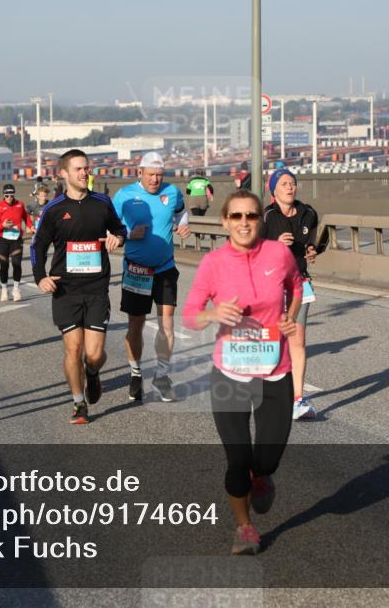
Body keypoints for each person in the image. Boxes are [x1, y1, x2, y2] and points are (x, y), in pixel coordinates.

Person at [182, 189, 302, 555]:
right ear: (225, 222)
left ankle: (262, 476)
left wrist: (290, 318)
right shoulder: (213, 263)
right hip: (230, 373)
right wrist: (213, 314)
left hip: (274, 370)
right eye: (236, 216)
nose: (244, 222)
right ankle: (244, 527)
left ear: (260, 220)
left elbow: (296, 286)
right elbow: (190, 315)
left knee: (266, 459)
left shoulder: (279, 254)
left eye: (251, 215)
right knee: (238, 460)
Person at [31, 149, 126, 424]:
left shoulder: (102, 202)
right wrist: (40, 277)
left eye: (86, 168)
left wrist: (118, 239)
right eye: (78, 169)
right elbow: (38, 245)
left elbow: (120, 229)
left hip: (96, 288)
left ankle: (92, 372)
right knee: (73, 349)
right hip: (65, 290)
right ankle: (78, 403)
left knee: (94, 355)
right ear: (63, 173)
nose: (85, 173)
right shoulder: (53, 209)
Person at [112, 151, 191, 402]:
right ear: (140, 173)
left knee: (167, 323)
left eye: (159, 175)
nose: (155, 180)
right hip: (136, 270)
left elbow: (181, 212)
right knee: (135, 325)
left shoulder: (172, 192)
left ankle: (162, 377)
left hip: (165, 268)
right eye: (151, 175)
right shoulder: (124, 196)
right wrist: (128, 234)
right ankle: (136, 374)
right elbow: (110, 228)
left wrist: (183, 224)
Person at [261, 169, 320, 420]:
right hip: (271, 285)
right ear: (273, 190)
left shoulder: (308, 213)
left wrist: (312, 249)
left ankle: (298, 399)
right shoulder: (266, 217)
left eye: (292, 183)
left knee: (297, 340)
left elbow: (312, 238)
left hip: (299, 283)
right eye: (284, 184)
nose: (289, 187)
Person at [0, 183, 34, 302]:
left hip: (16, 240)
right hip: (2, 240)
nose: (9, 197)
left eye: (11, 195)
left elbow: (26, 217)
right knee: (4, 266)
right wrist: (3, 225)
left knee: (16, 264)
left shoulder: (20, 204)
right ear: (3, 195)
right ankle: (4, 289)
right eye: (7, 195)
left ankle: (16, 289)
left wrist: (30, 226)